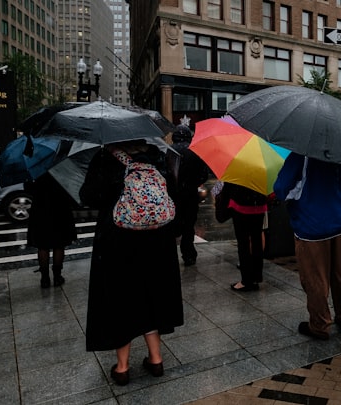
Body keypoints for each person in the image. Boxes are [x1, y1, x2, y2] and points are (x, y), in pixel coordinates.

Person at [80, 140, 184, 386]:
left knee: (121, 299)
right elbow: (174, 194)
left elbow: (89, 196)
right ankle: (156, 359)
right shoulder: (157, 157)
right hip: (158, 241)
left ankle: (123, 367)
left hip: (118, 241)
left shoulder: (106, 157)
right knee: (152, 296)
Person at [274, 154, 341, 340]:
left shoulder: (302, 155)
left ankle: (320, 324)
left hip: (311, 225)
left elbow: (281, 189)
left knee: (315, 278)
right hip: (340, 223)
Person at [25, 173, 77, 288]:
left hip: (41, 211)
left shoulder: (36, 169)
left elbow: (28, 189)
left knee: (43, 246)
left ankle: (44, 279)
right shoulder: (62, 167)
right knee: (59, 245)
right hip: (60, 210)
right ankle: (57, 277)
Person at [171, 124, 211, 266]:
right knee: (189, 226)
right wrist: (194, 182)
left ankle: (170, 255)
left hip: (172, 195)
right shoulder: (196, 152)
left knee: (171, 225)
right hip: (190, 194)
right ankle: (188, 255)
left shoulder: (168, 151)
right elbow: (204, 175)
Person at [220, 181, 268, 291]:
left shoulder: (238, 166)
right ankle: (256, 277)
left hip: (241, 204)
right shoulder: (260, 166)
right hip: (259, 204)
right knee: (257, 241)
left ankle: (246, 280)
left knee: (243, 243)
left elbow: (228, 187)